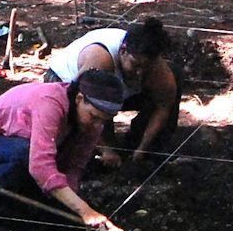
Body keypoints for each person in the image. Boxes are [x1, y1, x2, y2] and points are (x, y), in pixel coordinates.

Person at [0, 68, 129, 231]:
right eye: (94, 117)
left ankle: (18, 201)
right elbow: (40, 166)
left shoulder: (91, 122)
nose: (97, 126)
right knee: (27, 153)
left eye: (103, 121)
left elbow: (75, 165)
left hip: (12, 152)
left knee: (49, 161)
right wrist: (84, 210)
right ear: (79, 99)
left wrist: (70, 204)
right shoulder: (50, 103)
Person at [42, 18, 179, 164]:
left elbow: (164, 105)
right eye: (136, 65)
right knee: (84, 143)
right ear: (123, 50)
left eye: (147, 67)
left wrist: (142, 148)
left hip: (115, 92)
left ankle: (140, 145)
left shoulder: (157, 69)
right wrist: (106, 149)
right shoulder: (100, 60)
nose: (140, 72)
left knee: (176, 74)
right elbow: (83, 105)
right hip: (68, 85)